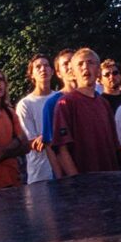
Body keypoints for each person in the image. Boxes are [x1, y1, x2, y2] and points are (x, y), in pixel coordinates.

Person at [52, 48, 121, 176]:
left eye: (90, 62)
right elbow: (62, 150)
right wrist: (77, 181)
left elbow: (117, 147)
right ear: (73, 72)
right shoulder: (65, 104)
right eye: (80, 64)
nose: (85, 67)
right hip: (84, 181)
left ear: (98, 71)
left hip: (111, 178)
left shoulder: (104, 103)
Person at [15, 53, 55, 184]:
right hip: (40, 173)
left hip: (63, 170)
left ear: (52, 71)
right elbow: (32, 143)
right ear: (31, 74)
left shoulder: (61, 98)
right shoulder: (25, 104)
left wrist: (45, 137)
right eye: (38, 67)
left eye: (46, 65)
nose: (43, 69)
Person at [40, 48, 76, 178]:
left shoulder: (94, 98)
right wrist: (61, 179)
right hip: (70, 179)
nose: (70, 66)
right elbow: (50, 146)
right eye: (65, 63)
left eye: (73, 61)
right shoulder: (53, 104)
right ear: (59, 73)